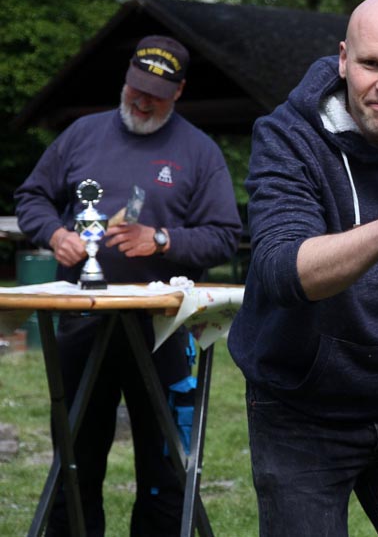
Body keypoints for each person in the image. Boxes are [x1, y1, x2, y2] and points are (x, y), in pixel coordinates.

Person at [226, 0, 378, 537]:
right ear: (342, 60)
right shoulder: (288, 136)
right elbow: (282, 271)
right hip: (300, 405)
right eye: (370, 63)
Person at [14, 35, 242, 536]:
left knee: (165, 467)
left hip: (163, 327)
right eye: (134, 88)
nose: (140, 101)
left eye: (154, 95)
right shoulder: (81, 134)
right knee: (74, 458)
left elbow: (225, 236)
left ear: (178, 92)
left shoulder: (198, 152)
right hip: (81, 317)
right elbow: (32, 196)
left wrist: (161, 239)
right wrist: (55, 233)